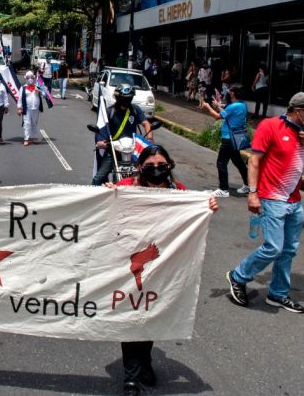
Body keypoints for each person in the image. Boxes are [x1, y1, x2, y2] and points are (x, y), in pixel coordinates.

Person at [105, 145, 219, 396]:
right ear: (140, 168)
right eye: (150, 166)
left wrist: (206, 206)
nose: (156, 170)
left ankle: (145, 361)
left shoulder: (179, 192)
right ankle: (131, 378)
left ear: (169, 166)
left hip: (164, 268)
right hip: (131, 264)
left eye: (162, 165)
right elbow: (106, 215)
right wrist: (108, 195)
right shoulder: (126, 187)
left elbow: (191, 217)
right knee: (133, 317)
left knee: (151, 315)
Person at [226, 92, 304, 314]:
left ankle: (277, 294)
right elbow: (254, 160)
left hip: (294, 200)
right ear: (298, 110)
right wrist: (252, 193)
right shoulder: (270, 126)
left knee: (288, 250)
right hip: (272, 197)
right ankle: (238, 275)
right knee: (274, 247)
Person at [91, 85, 153, 186]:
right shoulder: (110, 111)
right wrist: (100, 142)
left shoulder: (135, 110)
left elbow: (146, 123)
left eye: (129, 98)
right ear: (117, 97)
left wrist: (150, 138)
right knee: (98, 178)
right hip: (113, 150)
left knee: (146, 172)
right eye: (124, 98)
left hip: (132, 151)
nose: (126, 100)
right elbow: (101, 128)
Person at [201, 84, 250, 197]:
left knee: (221, 162)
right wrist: (218, 106)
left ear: (233, 93)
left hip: (228, 138)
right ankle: (248, 185)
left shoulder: (233, 106)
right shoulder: (242, 105)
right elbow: (227, 113)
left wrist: (208, 107)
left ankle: (223, 189)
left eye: (230, 91)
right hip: (235, 137)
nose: (228, 92)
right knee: (238, 162)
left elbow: (218, 117)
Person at [17, 71, 44, 147]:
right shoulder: (23, 88)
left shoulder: (37, 86)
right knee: (27, 123)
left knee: (34, 123)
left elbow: (44, 95)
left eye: (31, 77)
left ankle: (35, 137)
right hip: (27, 109)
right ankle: (26, 139)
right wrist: (19, 108)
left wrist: (39, 92)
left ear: (34, 78)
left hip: (35, 108)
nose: (30, 79)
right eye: (28, 78)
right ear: (26, 79)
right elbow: (19, 99)